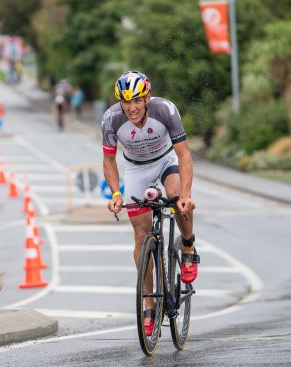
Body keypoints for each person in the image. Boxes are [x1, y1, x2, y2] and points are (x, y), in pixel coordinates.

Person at [102, 71, 199, 336]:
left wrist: (187, 195)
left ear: (147, 98)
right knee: (141, 234)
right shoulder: (111, 119)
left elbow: (184, 155)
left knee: (177, 198)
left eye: (136, 101)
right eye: (125, 101)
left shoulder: (165, 110)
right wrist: (115, 194)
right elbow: (109, 160)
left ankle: (188, 246)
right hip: (136, 169)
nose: (131, 107)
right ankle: (148, 300)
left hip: (167, 161)